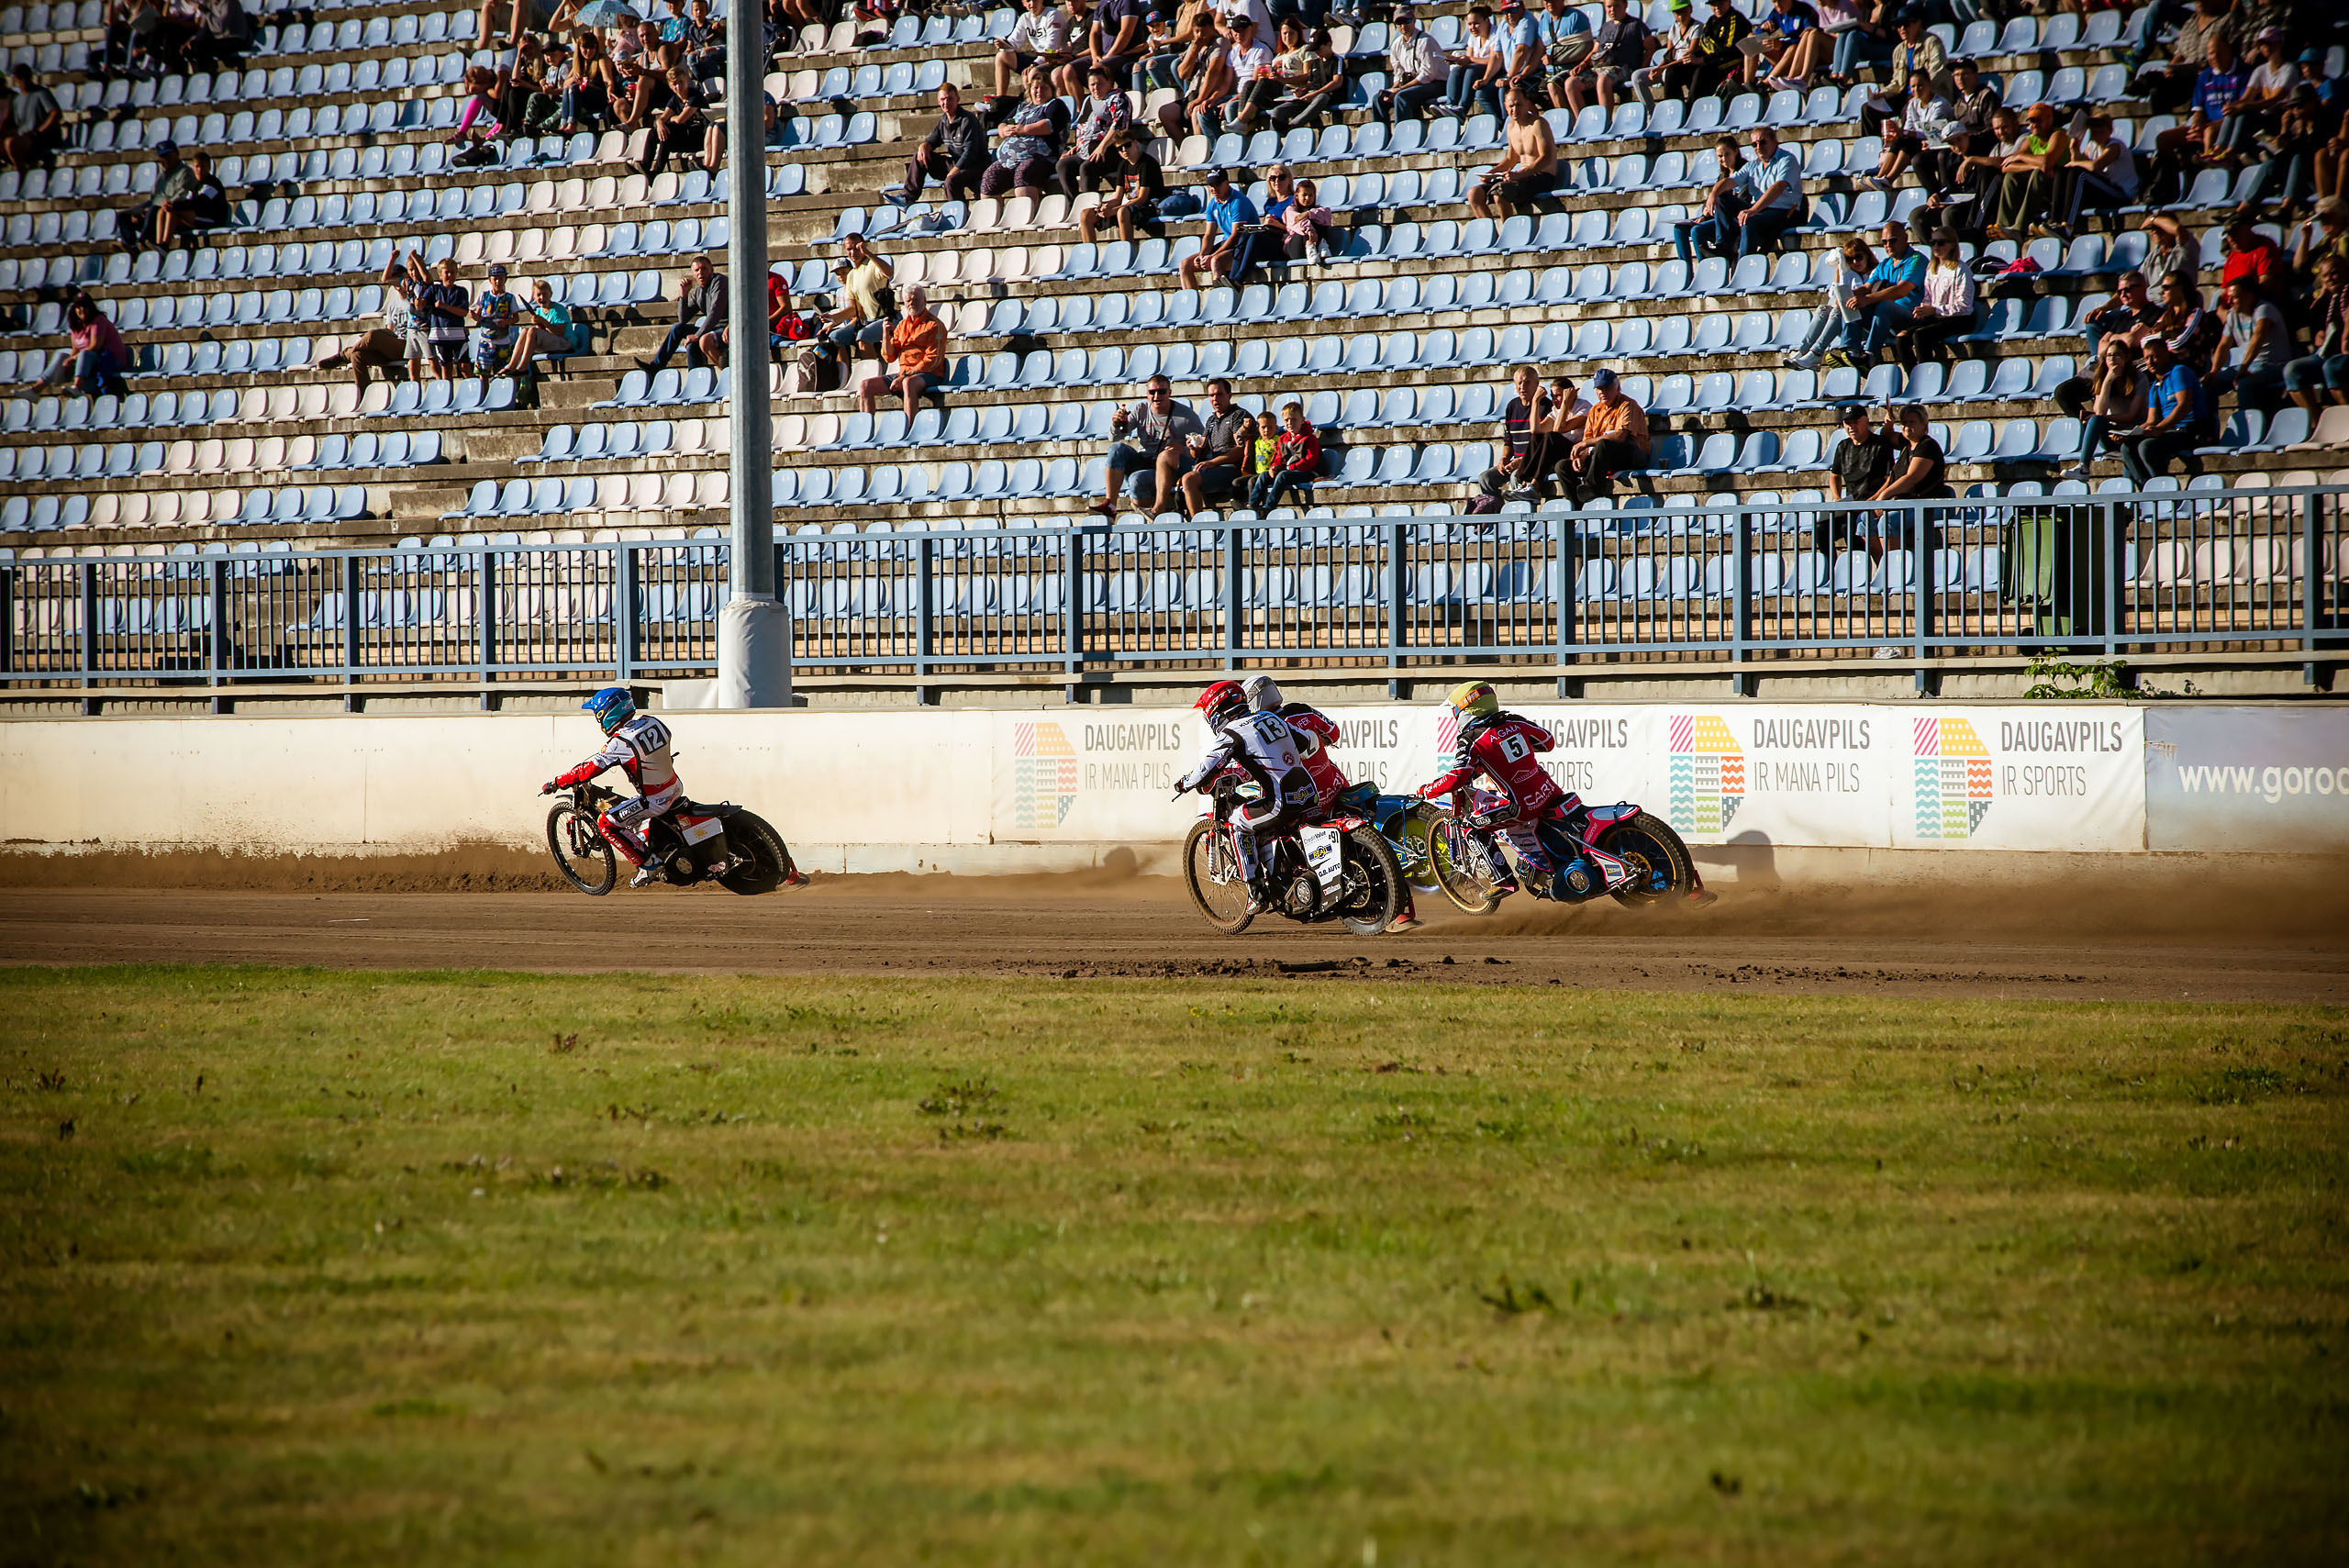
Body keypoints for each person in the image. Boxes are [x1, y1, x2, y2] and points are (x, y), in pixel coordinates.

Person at [1240, 674, 1423, 932]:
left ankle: (1264, 889)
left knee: (1263, 827)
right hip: (1336, 789)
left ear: (1252, 702)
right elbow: (1333, 733)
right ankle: (1395, 907)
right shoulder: (1303, 711)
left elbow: (1247, 767)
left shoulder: (1256, 728)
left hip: (1303, 801)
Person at [1414, 681, 1583, 904]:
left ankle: (1504, 880)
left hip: (1521, 806)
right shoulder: (1513, 720)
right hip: (1550, 791)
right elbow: (1547, 742)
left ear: (1465, 710)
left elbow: (1458, 778)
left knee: (1472, 827)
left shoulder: (1472, 739)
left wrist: (1427, 790)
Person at [1175, 679, 1316, 912]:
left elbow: (1205, 770)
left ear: (1216, 711)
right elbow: (1305, 741)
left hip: (1282, 802)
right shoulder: (1270, 718)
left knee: (1238, 821)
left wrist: (1183, 783)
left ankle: (1257, 893)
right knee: (1256, 813)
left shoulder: (1232, 731)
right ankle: (1278, 876)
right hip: (1309, 792)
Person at [541, 687, 685, 889]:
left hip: (654, 800)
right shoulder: (652, 721)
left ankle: (648, 864)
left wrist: (557, 782)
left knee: (606, 823)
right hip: (675, 787)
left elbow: (589, 769)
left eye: (597, 715)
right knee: (626, 808)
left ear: (607, 715)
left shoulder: (620, 743)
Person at [1680, 124, 1802, 262]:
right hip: (1760, 210)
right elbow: (1730, 181)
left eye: (1762, 142)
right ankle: (1723, 246)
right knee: (1722, 196)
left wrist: (1753, 210)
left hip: (1783, 212)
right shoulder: (1753, 165)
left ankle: (1744, 267)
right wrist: (1713, 194)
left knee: (1748, 220)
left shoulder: (1787, 160)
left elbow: (1778, 187)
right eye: (1754, 144)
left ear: (1774, 141)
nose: (1758, 147)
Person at [1096, 373, 1204, 515]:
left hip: (1165, 468)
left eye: (1162, 392)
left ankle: (1148, 521)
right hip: (1144, 459)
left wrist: (1183, 448)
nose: (1157, 396)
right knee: (1117, 448)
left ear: (1169, 393)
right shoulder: (1141, 409)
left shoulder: (1185, 416)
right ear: (1147, 394)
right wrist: (1117, 424)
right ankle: (1110, 505)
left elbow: (1202, 443)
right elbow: (1114, 437)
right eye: (1152, 392)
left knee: (1137, 479)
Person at [316, 253, 425, 391]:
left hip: (408, 345)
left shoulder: (415, 295)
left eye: (399, 277)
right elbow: (390, 331)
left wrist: (392, 259)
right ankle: (363, 394)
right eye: (395, 278)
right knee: (357, 356)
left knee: (373, 335)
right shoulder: (392, 304)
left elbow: (386, 279)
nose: (396, 281)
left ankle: (343, 355)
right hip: (393, 344)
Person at [2118, 336, 2209, 488]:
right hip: (2170, 431)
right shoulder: (2154, 386)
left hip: (2191, 430)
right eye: (2147, 358)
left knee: (2147, 447)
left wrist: (2160, 429)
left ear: (2166, 354)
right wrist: (2130, 434)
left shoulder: (2178, 372)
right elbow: (2151, 420)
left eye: (2155, 356)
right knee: (2127, 447)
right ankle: (2148, 488)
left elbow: (2184, 406)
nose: (2150, 362)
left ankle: (2163, 487)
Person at [1836, 220, 1924, 369]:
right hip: (1884, 319)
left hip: (1912, 317)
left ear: (1905, 238)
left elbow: (1901, 290)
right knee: (1852, 304)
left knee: (1884, 305)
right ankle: (1852, 352)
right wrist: (1846, 298)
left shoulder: (1916, 260)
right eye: (1884, 242)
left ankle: (1870, 355)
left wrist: (1867, 299)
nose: (1888, 245)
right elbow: (1866, 287)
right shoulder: (1885, 264)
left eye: (1892, 240)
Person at [2060, 333, 2147, 479]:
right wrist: (2107, 381)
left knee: (2130, 467)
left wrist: (2106, 418)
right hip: (2115, 433)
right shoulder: (2103, 377)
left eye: (2117, 355)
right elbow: (2099, 411)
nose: (2112, 359)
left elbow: (2132, 415)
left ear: (2126, 357)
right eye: (2109, 356)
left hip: (2135, 432)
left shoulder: (2139, 378)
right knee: (2095, 420)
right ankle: (2084, 467)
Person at [1783, 235, 1876, 371]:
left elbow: (1846, 302)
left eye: (1859, 257)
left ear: (1867, 255)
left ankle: (1815, 353)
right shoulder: (1849, 274)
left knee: (1838, 310)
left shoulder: (1875, 273)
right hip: (1849, 324)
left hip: (1867, 327)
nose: (1855, 262)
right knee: (1823, 309)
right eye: (1850, 260)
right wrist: (1840, 271)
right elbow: (1834, 296)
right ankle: (1803, 352)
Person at [2204, 274, 2297, 409]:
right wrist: (2214, 372)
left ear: (2249, 295)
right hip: (2249, 365)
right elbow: (2224, 345)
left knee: (2244, 383)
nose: (2230, 301)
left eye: (2234, 297)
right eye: (2228, 297)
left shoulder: (2264, 310)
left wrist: (2243, 369)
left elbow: (2257, 338)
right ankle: (2208, 425)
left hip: (2273, 365)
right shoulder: (2233, 315)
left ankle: (2249, 423)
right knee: (2207, 384)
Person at [1467, 88, 1559, 221]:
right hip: (1522, 176)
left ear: (1527, 104)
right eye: (1511, 106)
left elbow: (1546, 158)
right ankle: (1492, 236)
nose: (1514, 109)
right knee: (1474, 194)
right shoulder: (1510, 126)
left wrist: (1519, 174)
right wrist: (1491, 173)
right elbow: (1511, 159)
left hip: (1542, 176)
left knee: (1500, 191)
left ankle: (1508, 234)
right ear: (1505, 106)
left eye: (1518, 105)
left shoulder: (1538, 123)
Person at [857, 284, 946, 422]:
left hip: (929, 374)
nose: (912, 304)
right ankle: (865, 432)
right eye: (908, 301)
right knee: (865, 386)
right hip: (904, 374)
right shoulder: (902, 325)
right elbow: (889, 357)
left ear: (925, 300)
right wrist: (886, 335)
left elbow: (932, 360)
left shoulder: (934, 325)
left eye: (916, 300)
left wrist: (904, 376)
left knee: (908, 383)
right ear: (904, 303)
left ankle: (908, 430)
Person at [1559, 367, 1648, 504]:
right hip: (1603, 457)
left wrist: (1585, 444)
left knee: (1603, 443)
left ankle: (1591, 488)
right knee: (1563, 465)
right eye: (1599, 388)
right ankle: (1577, 506)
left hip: (1633, 454)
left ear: (1617, 387)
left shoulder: (1627, 405)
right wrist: (1581, 458)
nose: (1603, 392)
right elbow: (1588, 439)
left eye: (1607, 387)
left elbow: (1620, 436)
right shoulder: (1595, 410)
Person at [1985, 102, 2070, 241]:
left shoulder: (2059, 134)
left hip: (2059, 191)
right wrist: (2033, 166)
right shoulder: (2031, 140)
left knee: (2038, 174)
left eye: (2038, 120)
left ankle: (2019, 229)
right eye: (2031, 121)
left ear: (2050, 120)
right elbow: (2007, 167)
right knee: (2011, 177)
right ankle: (2004, 226)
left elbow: (2047, 162)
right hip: (2038, 189)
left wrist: (2020, 156)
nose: (2034, 124)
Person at [983, 65, 1070, 198]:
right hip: (1009, 160)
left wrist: (1024, 130)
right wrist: (1005, 130)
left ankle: (1027, 216)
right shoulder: (1023, 107)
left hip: (1040, 158)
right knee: (990, 178)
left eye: (1044, 88)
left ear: (1051, 89)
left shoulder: (1055, 105)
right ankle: (992, 218)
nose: (1039, 91)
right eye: (1036, 88)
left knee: (1023, 174)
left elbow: (1048, 126)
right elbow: (1006, 123)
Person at [1889, 231, 1974, 367]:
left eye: (1940, 242)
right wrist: (1923, 309)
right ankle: (1914, 378)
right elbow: (1928, 298)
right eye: (1933, 242)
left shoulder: (1961, 269)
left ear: (1952, 245)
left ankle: (1926, 378)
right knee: (1901, 338)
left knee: (1920, 335)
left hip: (1960, 319)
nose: (1936, 246)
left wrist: (1935, 310)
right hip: (1937, 317)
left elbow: (1964, 306)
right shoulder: (1932, 269)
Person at [895, 83, 987, 206]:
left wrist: (954, 170)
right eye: (943, 99)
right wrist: (924, 146)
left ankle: (960, 212)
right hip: (957, 163)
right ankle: (908, 198)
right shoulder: (944, 121)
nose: (946, 102)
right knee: (920, 157)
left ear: (957, 100)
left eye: (950, 99)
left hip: (976, 165)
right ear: (938, 101)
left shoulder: (968, 120)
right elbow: (933, 140)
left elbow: (970, 153)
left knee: (951, 180)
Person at [1823, 403, 1894, 555]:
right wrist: (1837, 497)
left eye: (1855, 422)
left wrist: (1875, 499)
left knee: (1848, 526)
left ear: (1866, 421)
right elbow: (1834, 475)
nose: (1851, 427)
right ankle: (1830, 572)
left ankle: (1860, 568)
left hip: (1870, 503)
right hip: (1850, 503)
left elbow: (1890, 478)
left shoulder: (1880, 444)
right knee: (1820, 528)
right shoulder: (1843, 446)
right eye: (1847, 423)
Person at [1563, 0, 1653, 117]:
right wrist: (1583, 64)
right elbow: (1595, 51)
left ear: (1625, 5)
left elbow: (1650, 48)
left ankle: (1605, 122)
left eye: (1616, 6)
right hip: (1601, 67)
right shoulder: (1605, 27)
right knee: (1571, 83)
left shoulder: (1636, 25)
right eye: (1609, 7)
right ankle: (1583, 122)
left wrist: (1641, 69)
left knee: (1603, 80)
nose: (1612, 10)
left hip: (1623, 67)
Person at [1077, 127, 1169, 243]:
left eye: (1127, 145)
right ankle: (1089, 257)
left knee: (1122, 212)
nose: (1124, 150)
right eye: (1120, 148)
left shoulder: (1147, 163)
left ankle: (1126, 252)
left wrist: (1115, 210)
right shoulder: (1123, 165)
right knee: (1086, 215)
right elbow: (1117, 198)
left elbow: (1142, 199)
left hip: (1150, 207)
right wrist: (1105, 206)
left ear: (1135, 143)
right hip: (1129, 208)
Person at [2056, 111, 2140, 238]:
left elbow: (2094, 166)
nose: (2098, 136)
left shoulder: (2115, 146)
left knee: (2079, 174)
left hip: (2122, 194)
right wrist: (2074, 151)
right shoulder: (2092, 146)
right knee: (2062, 172)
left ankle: (2067, 226)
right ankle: (2055, 221)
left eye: (2101, 132)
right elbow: (2077, 165)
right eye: (2094, 133)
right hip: (2105, 190)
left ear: (2110, 130)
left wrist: (2075, 164)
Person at [2283, 254, 2349, 412]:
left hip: (2343, 355)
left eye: (2334, 273)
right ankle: (2317, 422)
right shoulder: (2329, 300)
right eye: (2325, 276)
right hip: (2328, 354)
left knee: (2331, 367)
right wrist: (2320, 333)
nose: (2330, 279)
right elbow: (2316, 321)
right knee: (2293, 370)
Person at [1177, 377, 1252, 515]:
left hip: (1232, 468)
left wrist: (1212, 462)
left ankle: (1197, 526)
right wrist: (1193, 448)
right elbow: (1199, 453)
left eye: (1219, 394)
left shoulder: (1238, 415)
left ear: (1229, 395)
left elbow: (1240, 449)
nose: (1215, 399)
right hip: (1214, 468)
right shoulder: (1211, 420)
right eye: (1211, 395)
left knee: (1188, 479)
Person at [1176, 166, 1258, 291]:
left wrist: (1213, 255)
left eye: (1217, 184)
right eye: (1211, 185)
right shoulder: (1212, 204)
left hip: (1243, 246)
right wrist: (1203, 254)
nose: (1214, 188)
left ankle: (1221, 300)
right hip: (1227, 244)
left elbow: (1236, 236)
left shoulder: (1238, 202)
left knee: (1216, 261)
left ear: (1227, 183)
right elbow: (1209, 235)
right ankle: (1191, 305)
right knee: (1185, 265)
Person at [1059, 63, 1131, 197]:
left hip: (1111, 149)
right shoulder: (1088, 101)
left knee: (1087, 168)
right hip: (1087, 150)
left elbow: (1119, 125)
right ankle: (1073, 204)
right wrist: (1077, 146)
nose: (1096, 88)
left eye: (1100, 84)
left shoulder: (1118, 98)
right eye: (1092, 85)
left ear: (1109, 82)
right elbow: (1082, 126)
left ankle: (1090, 208)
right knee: (1063, 165)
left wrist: (1102, 147)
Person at [113, 139, 194, 253]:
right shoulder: (162, 176)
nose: (166, 159)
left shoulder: (185, 172)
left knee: (153, 210)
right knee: (124, 216)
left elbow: (181, 197)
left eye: (168, 155)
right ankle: (131, 246)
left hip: (172, 213)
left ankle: (144, 242)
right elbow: (152, 198)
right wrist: (139, 210)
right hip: (155, 211)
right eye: (163, 156)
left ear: (176, 153)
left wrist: (152, 208)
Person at [1376, 4, 1448, 124]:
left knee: (1401, 96)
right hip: (1414, 84)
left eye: (1407, 21)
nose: (1403, 26)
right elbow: (1398, 73)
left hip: (1437, 84)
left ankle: (1404, 134)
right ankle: (1382, 136)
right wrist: (1393, 89)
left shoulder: (1425, 41)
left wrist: (1400, 89)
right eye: (1399, 23)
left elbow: (1427, 75)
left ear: (1414, 20)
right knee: (1379, 98)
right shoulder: (1396, 45)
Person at [1266, 24, 1342, 131]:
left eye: (1319, 49)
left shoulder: (1336, 60)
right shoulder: (1316, 62)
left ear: (1329, 44)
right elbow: (1311, 83)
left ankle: (1292, 126)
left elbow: (1337, 82)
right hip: (1311, 96)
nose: (1317, 53)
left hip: (1326, 96)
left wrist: (1314, 94)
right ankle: (1275, 140)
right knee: (1278, 111)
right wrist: (1302, 91)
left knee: (1322, 97)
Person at [502, 276, 579, 380]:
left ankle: (523, 367)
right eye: (539, 295)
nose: (542, 298)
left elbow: (559, 333)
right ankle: (511, 366)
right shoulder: (538, 311)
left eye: (545, 294)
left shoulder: (558, 310)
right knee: (525, 330)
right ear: (534, 297)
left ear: (550, 294)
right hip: (550, 343)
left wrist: (544, 322)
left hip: (565, 343)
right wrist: (540, 324)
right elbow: (543, 332)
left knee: (533, 330)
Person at [1251, 398, 1320, 510]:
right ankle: (1253, 505)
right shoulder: (1283, 438)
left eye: (1293, 419)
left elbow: (1310, 460)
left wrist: (1291, 467)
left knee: (1283, 475)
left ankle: (1268, 507)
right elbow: (1279, 457)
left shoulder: (1309, 438)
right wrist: (1275, 467)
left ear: (1302, 420)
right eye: (1286, 420)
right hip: (1287, 471)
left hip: (1306, 472)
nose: (1289, 423)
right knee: (1264, 475)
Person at [466, 262, 523, 387]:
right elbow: (478, 316)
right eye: (495, 279)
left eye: (501, 278)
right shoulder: (484, 296)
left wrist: (506, 322)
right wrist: (473, 316)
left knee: (502, 372)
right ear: (490, 280)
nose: (498, 282)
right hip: (486, 340)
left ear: (505, 279)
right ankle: (485, 395)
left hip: (502, 340)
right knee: (483, 372)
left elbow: (516, 318)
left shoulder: (509, 298)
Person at [3, 65, 61, 173]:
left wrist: (38, 131)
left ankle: (22, 175)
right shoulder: (17, 100)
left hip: (40, 138)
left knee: (10, 143)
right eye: (20, 77)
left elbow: (56, 114)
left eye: (25, 76)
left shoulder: (41, 93)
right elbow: (19, 125)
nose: (23, 80)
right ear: (15, 79)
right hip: (24, 136)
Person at [1282, 176, 1335, 264]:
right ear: (1296, 196)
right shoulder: (1290, 210)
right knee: (1304, 224)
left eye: (1311, 195)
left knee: (1317, 217)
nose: (1307, 198)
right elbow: (1298, 222)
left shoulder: (1318, 209)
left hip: (1315, 241)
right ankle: (1310, 245)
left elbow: (1327, 214)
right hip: (1296, 249)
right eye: (1304, 195)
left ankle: (1322, 244)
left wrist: (1308, 214)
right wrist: (1310, 230)